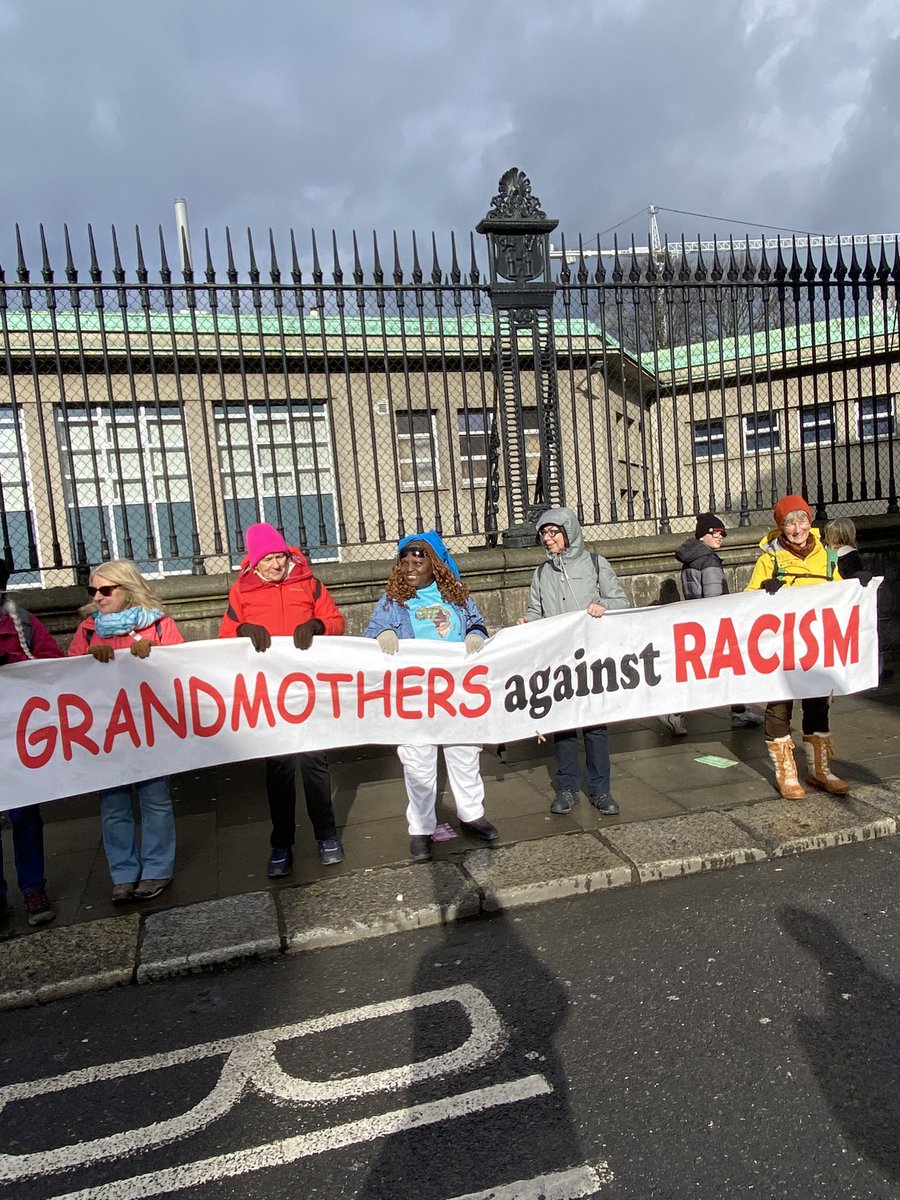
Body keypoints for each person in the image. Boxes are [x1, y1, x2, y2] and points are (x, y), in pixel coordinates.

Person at [219, 522, 346, 875]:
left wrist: (318, 626)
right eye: (269, 559)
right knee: (278, 769)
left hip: (307, 690)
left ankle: (326, 836)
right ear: (254, 563)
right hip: (269, 693)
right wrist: (242, 629)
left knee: (314, 763)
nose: (276, 564)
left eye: (281, 556)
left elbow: (336, 621)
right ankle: (281, 844)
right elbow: (225, 634)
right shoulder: (242, 592)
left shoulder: (310, 583)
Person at [364, 530, 497, 862]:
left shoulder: (457, 597)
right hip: (415, 695)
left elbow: (477, 624)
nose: (410, 567)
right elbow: (371, 632)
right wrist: (384, 632)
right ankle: (421, 828)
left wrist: (477, 636)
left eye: (418, 560)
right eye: (405, 561)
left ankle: (471, 814)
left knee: (464, 754)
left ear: (434, 564)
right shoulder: (393, 601)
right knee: (418, 761)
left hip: (455, 692)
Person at [68, 559, 184, 903]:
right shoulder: (88, 630)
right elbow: (68, 677)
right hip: (107, 731)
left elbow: (184, 667)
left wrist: (156, 656)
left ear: (127, 590)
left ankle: (157, 869)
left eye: (106, 590)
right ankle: (122, 873)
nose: (99, 597)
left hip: (151, 728)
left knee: (155, 799)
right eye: (93, 591)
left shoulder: (160, 626)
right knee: (114, 803)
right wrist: (88, 657)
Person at [519, 507, 628, 816]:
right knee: (563, 727)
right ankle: (567, 788)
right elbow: (536, 611)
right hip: (559, 660)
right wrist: (528, 622)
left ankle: (600, 789)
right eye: (544, 533)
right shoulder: (542, 573)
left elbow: (620, 601)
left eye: (553, 532)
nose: (547, 538)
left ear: (569, 532)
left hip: (592, 658)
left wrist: (603, 605)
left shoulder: (596, 564)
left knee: (595, 727)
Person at [745, 495, 848, 800]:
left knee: (818, 705)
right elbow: (748, 602)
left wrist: (859, 586)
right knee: (779, 708)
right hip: (781, 648)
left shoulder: (828, 556)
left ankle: (819, 770)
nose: (797, 527)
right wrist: (765, 591)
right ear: (781, 527)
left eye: (801, 519)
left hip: (816, 647)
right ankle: (786, 774)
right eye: (789, 522)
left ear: (810, 522)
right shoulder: (770, 559)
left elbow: (840, 595)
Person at [659, 513, 764, 737]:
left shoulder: (690, 558)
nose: (721, 537)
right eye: (716, 533)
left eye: (723, 533)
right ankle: (676, 711)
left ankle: (739, 710)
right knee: (720, 669)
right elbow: (715, 598)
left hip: (696, 622)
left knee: (715, 669)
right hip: (714, 625)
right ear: (704, 535)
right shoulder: (709, 560)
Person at [0, 561, 62, 926]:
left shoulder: (22, 621)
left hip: (17, 737)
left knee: (24, 816)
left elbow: (54, 665)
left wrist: (17, 664)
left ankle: (33, 889)